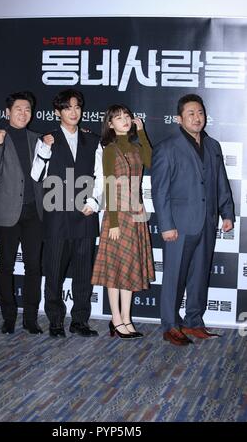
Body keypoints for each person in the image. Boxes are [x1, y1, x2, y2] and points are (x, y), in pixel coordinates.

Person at [151, 94, 235, 346]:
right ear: (179, 118)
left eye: (200, 113)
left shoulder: (213, 146)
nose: (197, 118)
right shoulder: (167, 147)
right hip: (178, 226)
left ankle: (194, 322)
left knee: (200, 276)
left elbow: (221, 182)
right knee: (174, 277)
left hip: (207, 223)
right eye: (191, 113)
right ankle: (170, 325)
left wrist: (227, 213)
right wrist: (166, 225)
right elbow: (160, 191)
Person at [31, 89, 103, 338]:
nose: (74, 112)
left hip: (85, 214)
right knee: (53, 272)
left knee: (84, 273)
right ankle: (56, 322)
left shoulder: (93, 140)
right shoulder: (47, 139)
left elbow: (101, 175)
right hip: (56, 216)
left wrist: (95, 201)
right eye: (68, 108)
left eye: (77, 107)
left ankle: (80, 321)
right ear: (57, 112)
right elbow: (37, 176)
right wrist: (44, 151)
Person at [91, 104, 155, 339]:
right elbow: (108, 184)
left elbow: (149, 161)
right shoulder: (109, 149)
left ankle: (127, 318)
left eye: (127, 116)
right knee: (114, 269)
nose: (124, 120)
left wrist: (142, 132)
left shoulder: (137, 147)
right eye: (118, 118)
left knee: (128, 268)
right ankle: (115, 319)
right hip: (116, 214)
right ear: (110, 124)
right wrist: (114, 222)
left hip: (136, 213)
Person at [0, 91, 44, 335]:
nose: (23, 113)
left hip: (34, 213)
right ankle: (8, 317)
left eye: (28, 109)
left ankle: (30, 319)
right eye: (18, 109)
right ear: (8, 113)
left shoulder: (38, 139)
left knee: (33, 267)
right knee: (5, 266)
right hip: (7, 213)